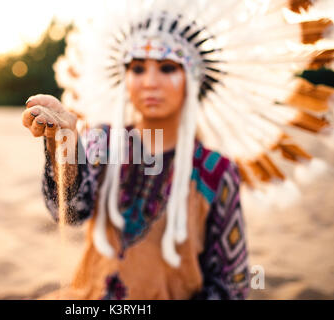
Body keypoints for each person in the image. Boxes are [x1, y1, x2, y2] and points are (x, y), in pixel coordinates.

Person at [21, 1, 333, 299]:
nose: (150, 82)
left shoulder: (216, 171)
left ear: (192, 78)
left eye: (168, 68)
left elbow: (231, 283)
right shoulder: (103, 141)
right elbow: (71, 213)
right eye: (137, 68)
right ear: (124, 76)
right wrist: (61, 144)